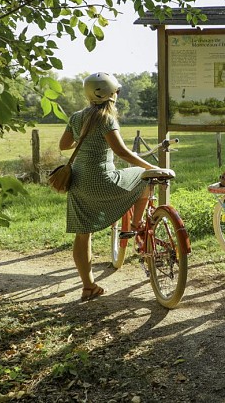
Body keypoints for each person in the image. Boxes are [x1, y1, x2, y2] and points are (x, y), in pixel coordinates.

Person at [59, 72, 158, 301]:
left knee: (83, 235)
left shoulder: (76, 117)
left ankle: (89, 286)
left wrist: (83, 137)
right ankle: (135, 225)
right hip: (102, 181)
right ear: (112, 94)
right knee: (145, 176)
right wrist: (152, 166)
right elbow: (122, 152)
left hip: (78, 182)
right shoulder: (106, 118)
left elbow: (64, 145)